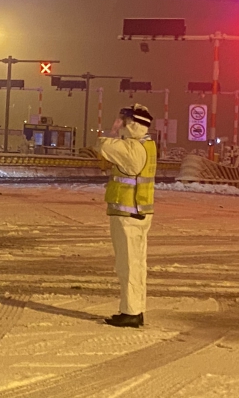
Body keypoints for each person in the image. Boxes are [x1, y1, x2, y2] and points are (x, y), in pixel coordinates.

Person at [94, 103, 157, 328]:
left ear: (132, 124)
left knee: (127, 265)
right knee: (137, 264)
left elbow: (102, 145)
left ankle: (130, 312)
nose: (119, 123)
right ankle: (135, 309)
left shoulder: (132, 148)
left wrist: (112, 133)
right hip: (138, 212)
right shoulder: (147, 145)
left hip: (128, 213)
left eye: (123, 119)